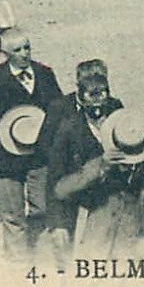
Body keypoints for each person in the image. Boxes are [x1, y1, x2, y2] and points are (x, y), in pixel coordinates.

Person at [0, 27, 64, 261]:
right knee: (13, 212)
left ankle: (40, 252)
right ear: (5, 54)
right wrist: (10, 124)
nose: (25, 53)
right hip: (7, 156)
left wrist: (44, 125)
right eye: (17, 50)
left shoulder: (44, 73)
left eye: (27, 47)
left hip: (39, 154)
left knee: (42, 207)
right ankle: (17, 258)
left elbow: (59, 108)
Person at [56, 109, 144, 258]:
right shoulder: (97, 168)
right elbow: (61, 191)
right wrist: (100, 166)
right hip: (97, 258)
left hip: (137, 262)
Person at [43, 59, 125, 262]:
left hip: (106, 191)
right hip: (74, 187)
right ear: (79, 88)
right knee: (67, 252)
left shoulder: (116, 109)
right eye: (91, 90)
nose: (98, 97)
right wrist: (57, 222)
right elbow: (54, 170)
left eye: (103, 89)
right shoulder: (65, 120)